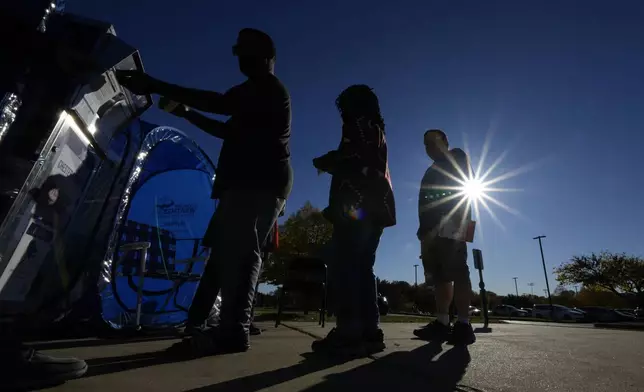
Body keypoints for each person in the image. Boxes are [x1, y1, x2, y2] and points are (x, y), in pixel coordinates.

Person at [116, 28, 292, 355]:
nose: (240, 61)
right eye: (238, 55)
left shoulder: (269, 89)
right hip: (242, 181)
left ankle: (233, 332)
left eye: (247, 55)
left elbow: (219, 103)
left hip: (260, 180)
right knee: (222, 253)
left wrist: (154, 84)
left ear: (267, 56)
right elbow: (225, 128)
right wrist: (186, 114)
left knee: (240, 249)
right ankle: (198, 324)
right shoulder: (252, 94)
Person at [311, 85, 396, 356]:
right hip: (375, 209)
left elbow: (357, 162)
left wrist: (329, 161)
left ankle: (348, 331)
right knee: (362, 268)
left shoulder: (357, 125)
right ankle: (370, 332)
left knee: (346, 266)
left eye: (344, 106)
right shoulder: (376, 130)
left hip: (357, 206)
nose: (342, 113)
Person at [413, 129, 476, 345]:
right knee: (439, 276)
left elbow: (461, 187)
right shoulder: (430, 169)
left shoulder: (456, 156)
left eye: (434, 141)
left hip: (454, 221)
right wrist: (424, 231)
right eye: (426, 144)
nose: (429, 147)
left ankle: (464, 325)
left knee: (458, 270)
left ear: (446, 141)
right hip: (431, 230)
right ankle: (442, 322)